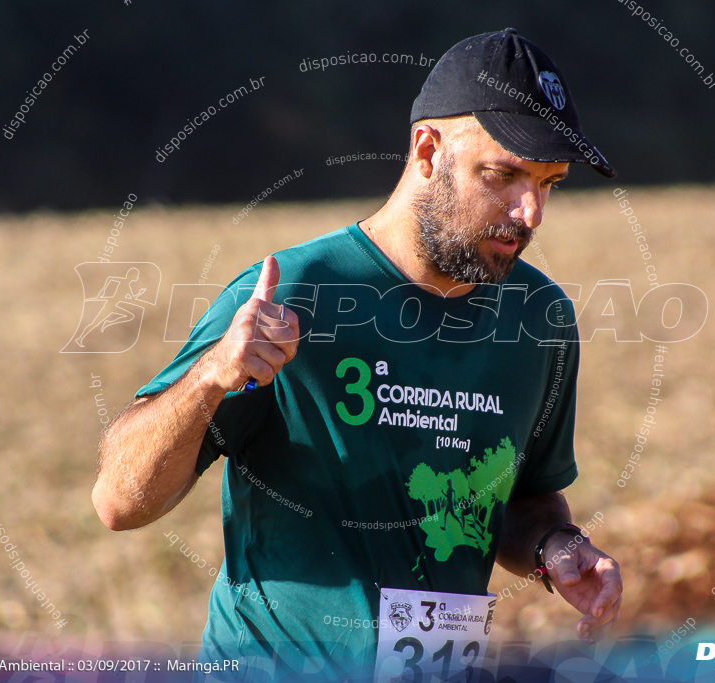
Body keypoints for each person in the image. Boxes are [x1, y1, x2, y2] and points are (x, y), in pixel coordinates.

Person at [92, 28, 622, 681]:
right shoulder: (294, 293)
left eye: (550, 184)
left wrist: (556, 546)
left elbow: (522, 501)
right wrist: (210, 376)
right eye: (504, 174)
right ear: (428, 150)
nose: (529, 212)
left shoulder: (540, 319)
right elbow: (119, 500)